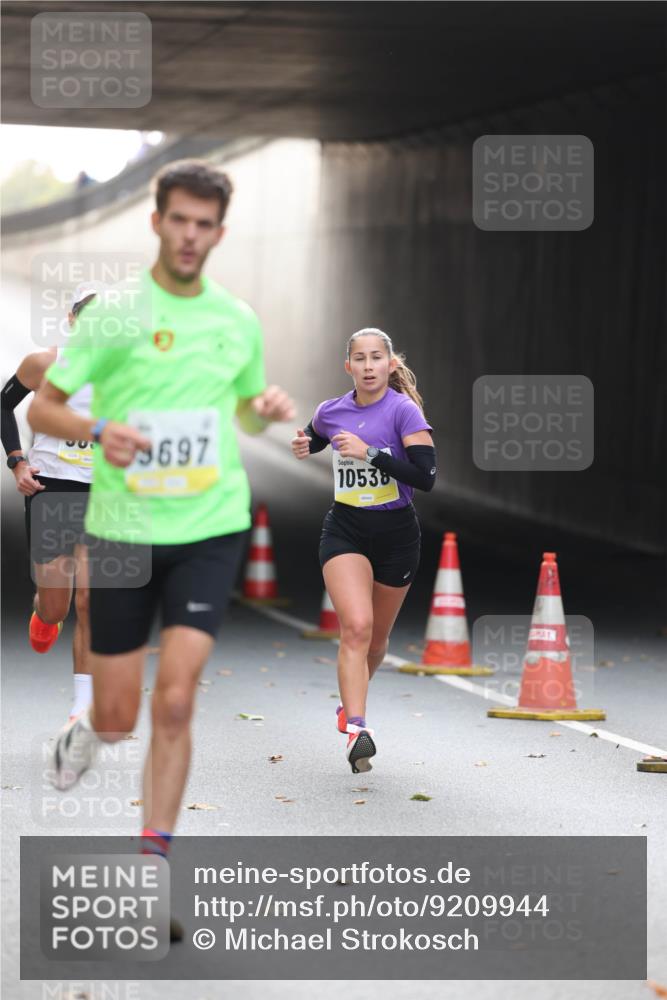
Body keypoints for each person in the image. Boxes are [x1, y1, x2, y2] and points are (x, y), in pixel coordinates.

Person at [28, 160, 295, 869]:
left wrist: (260, 410)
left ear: (218, 233)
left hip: (209, 527)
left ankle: (152, 861)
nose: (189, 234)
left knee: (175, 700)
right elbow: (42, 406)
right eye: (178, 219)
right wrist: (97, 431)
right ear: (156, 222)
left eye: (203, 224)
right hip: (122, 533)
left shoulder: (235, 320)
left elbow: (242, 407)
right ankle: (88, 729)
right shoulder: (113, 314)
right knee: (119, 720)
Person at [291, 328, 436, 773]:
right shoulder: (331, 410)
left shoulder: (403, 411)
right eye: (360, 358)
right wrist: (305, 443)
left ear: (391, 364)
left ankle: (347, 706)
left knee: (376, 640)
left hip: (397, 536)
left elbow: (426, 476)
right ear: (348, 366)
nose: (368, 366)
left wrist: (371, 454)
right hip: (346, 530)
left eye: (377, 358)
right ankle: (358, 727)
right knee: (355, 627)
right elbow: (318, 435)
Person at [1, 290, 96, 719]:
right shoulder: (44, 363)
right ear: (72, 318)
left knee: (92, 601)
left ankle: (82, 708)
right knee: (57, 604)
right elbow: (3, 405)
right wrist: (18, 462)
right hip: (52, 490)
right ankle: (43, 613)